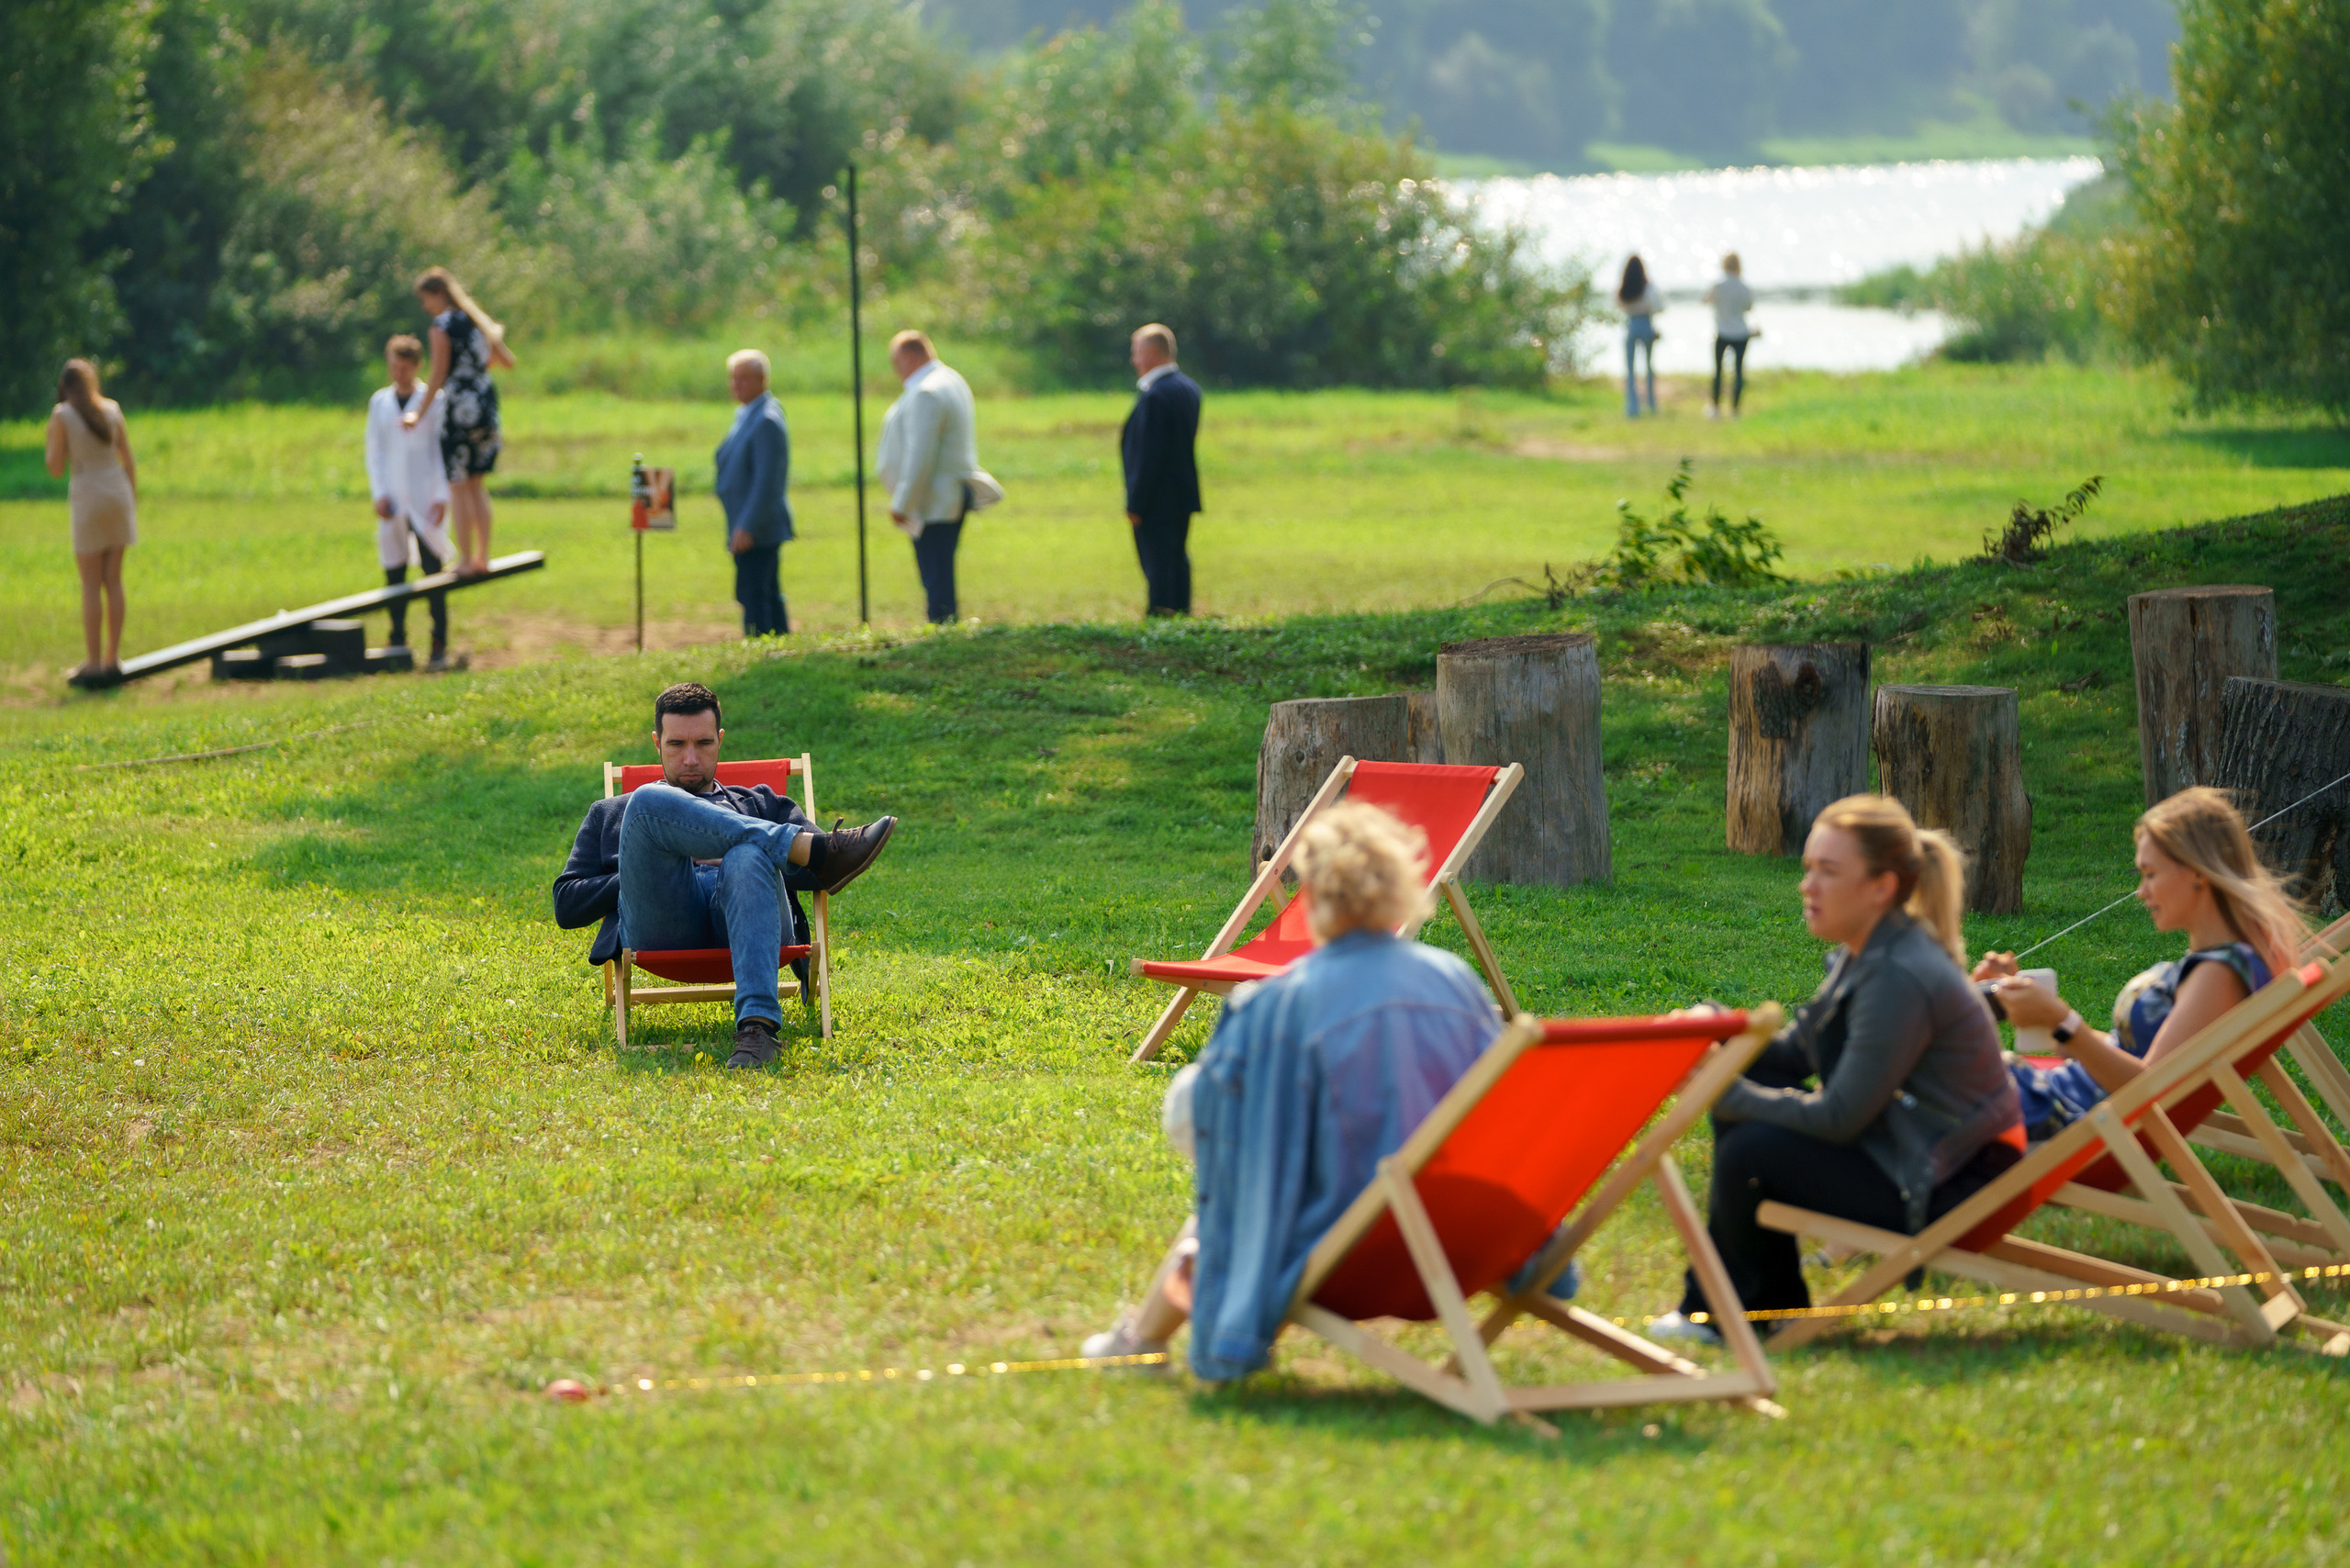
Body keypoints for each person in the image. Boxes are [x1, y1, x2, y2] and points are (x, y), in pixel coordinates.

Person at [1080, 802, 1578, 1378]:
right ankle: (1139, 1341)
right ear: (1402, 885)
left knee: (1236, 1173)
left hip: (1351, 1253)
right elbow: (1502, 1113)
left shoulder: (1277, 1004)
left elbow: (1218, 1134)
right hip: (1469, 1240)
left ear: (1313, 892)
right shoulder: (1455, 982)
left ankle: (1142, 1342)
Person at [1649, 795, 2021, 1341]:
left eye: (1827, 871)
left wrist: (1723, 1091)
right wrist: (1715, 1028)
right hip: (1922, 1154)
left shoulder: (1897, 974)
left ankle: (1732, 1315)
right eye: (1808, 869)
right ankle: (1759, 1308)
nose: (1807, 886)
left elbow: (1840, 1116)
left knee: (1751, 1151)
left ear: (1881, 887)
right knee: (1756, 1107)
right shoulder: (1871, 951)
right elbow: (1794, 1055)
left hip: (1950, 1182)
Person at [552, 683, 900, 1068]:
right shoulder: (617, 813)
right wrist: (649, 867)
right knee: (648, 799)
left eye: (703, 743)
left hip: (751, 918)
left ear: (719, 741)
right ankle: (800, 846)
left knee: (748, 853)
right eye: (676, 744)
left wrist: (736, 848)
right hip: (663, 924)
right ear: (656, 744)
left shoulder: (760, 803)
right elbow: (567, 905)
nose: (690, 759)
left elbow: (825, 875)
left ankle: (758, 1031)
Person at [1976, 787, 2304, 1142]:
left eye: (2150, 874)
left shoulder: (2218, 974)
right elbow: (2130, 1058)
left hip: (2059, 1110)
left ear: (2197, 872)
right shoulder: (2223, 964)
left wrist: (2061, 1020)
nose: (2141, 891)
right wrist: (2048, 1017)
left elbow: (2150, 1091)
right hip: (2053, 1098)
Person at [401, 266, 516, 579]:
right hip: (487, 408)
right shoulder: (478, 321)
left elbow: (438, 374)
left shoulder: (442, 326)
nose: (425, 307)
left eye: (426, 299)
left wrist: (417, 414)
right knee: (477, 485)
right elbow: (507, 361)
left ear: (438, 294)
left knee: (459, 485)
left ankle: (465, 559)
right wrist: (476, 366)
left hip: (460, 411)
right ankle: (483, 557)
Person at [876, 330, 983, 625]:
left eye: (896, 363)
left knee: (935, 574)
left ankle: (942, 630)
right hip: (950, 493)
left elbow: (920, 455)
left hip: (933, 500)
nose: (896, 371)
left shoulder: (926, 391)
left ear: (909, 358)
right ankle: (945, 626)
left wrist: (902, 503)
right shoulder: (951, 379)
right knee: (940, 570)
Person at [44, 358, 138, 688]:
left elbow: (55, 468)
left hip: (88, 496)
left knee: (90, 584)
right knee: (114, 580)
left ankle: (94, 663)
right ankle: (113, 659)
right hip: (118, 493)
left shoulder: (62, 414)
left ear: (65, 387)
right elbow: (129, 459)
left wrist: (53, 439)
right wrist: (131, 502)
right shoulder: (112, 408)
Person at [364, 334, 455, 668]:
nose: (398, 373)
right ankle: (397, 638)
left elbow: (442, 450)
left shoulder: (434, 400)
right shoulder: (380, 402)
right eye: (394, 366)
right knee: (394, 570)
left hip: (424, 495)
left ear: (417, 366)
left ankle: (439, 639)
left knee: (433, 571)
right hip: (392, 497)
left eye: (404, 367)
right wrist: (379, 493)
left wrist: (442, 495)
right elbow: (374, 451)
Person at [1120, 323, 1203, 617]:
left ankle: (1162, 615)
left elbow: (1148, 457)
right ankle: (1181, 613)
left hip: (1156, 497)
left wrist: (1135, 503)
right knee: (1177, 557)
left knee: (1157, 563)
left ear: (1152, 354)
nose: (1133, 360)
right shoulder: (1188, 389)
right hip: (1182, 493)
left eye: (1136, 353)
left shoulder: (1155, 396)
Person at [713, 349, 794, 638]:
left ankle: (761, 648)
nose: (736, 385)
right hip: (746, 523)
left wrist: (747, 526)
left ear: (762, 379)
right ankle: (780, 646)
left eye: (743, 378)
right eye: (733, 378)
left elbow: (767, 482)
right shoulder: (748, 414)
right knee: (764, 590)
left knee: (754, 593)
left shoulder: (766, 420)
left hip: (758, 528)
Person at [1703, 252, 1755, 419]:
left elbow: (1705, 300)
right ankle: (1735, 409)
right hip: (1740, 333)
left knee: (1718, 370)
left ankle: (1715, 408)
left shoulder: (1718, 285)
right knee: (1738, 371)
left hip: (1723, 332)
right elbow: (1749, 307)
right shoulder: (1744, 287)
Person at [1618, 256, 1662, 418]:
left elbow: (1619, 304)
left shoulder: (1624, 288)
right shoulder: (1647, 288)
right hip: (1646, 325)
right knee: (1649, 366)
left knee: (1630, 369)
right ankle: (1651, 403)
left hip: (1630, 326)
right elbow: (1659, 307)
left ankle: (1632, 407)